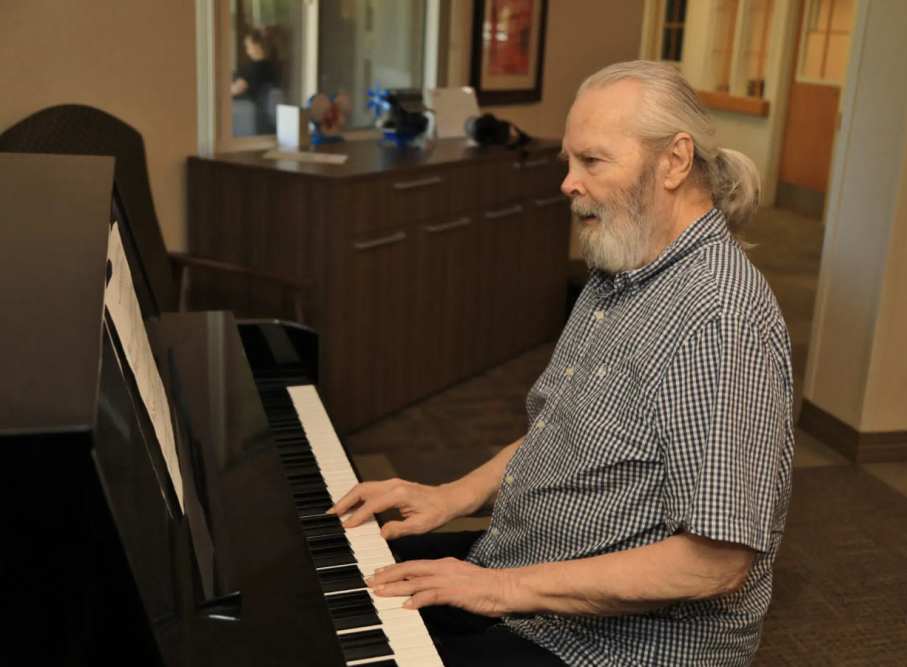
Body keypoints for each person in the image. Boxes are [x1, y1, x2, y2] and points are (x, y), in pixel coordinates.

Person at [332, 60, 795, 666]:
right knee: (338, 594)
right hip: (527, 572)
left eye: (593, 162)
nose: (568, 184)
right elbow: (562, 431)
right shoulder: (622, 268)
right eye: (569, 163)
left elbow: (716, 563)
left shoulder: (718, 321)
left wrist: (498, 589)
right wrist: (453, 495)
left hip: (612, 649)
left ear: (675, 162)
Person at [230, 28, 279, 133]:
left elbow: (235, 90)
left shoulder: (255, 68)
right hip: (261, 118)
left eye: (248, 46)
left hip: (251, 117)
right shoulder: (271, 67)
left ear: (257, 46)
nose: (247, 50)